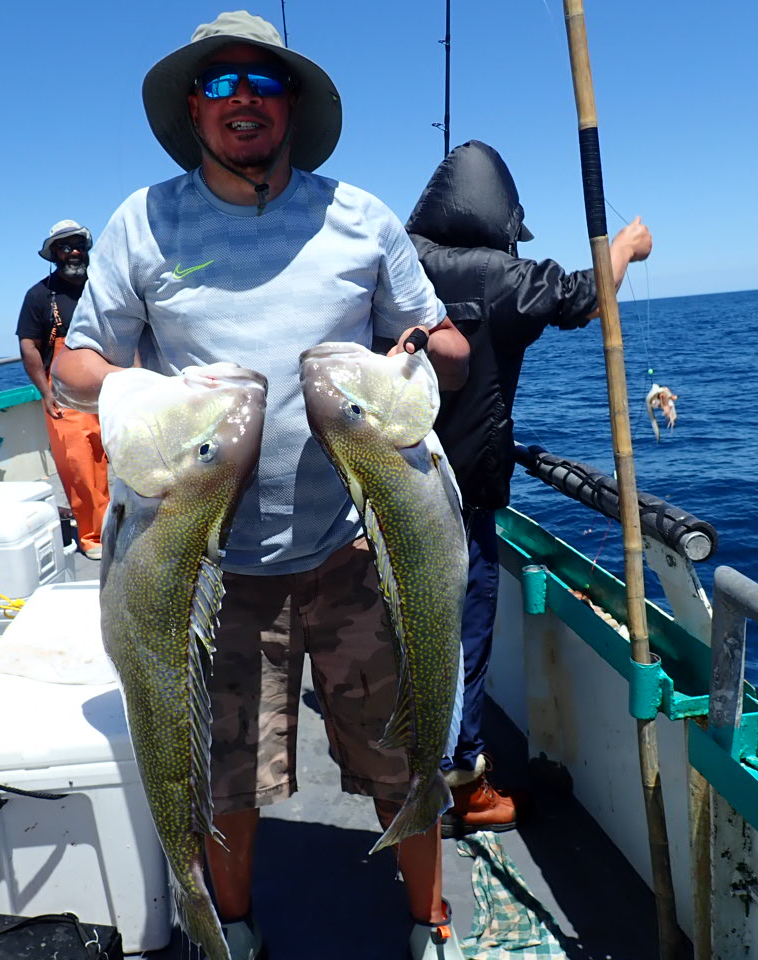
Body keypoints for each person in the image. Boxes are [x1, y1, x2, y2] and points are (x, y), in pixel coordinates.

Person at [52, 12, 472, 959]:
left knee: (402, 749)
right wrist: (130, 384)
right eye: (219, 84)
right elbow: (76, 363)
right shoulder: (142, 222)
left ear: (291, 107)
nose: (243, 98)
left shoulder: (360, 218)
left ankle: (428, 923)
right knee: (226, 772)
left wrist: (427, 350)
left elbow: (442, 344)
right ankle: (229, 930)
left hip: (358, 548)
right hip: (209, 567)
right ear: (193, 109)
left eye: (264, 84)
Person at [405, 140, 652, 836]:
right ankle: (462, 784)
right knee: (464, 643)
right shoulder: (505, 278)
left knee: (408, 638)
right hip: (466, 503)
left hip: (390, 501)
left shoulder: (395, 265)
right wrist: (628, 245)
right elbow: (583, 295)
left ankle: (406, 766)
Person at [16, 220, 110, 560]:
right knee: (81, 467)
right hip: (66, 396)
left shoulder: (104, 286)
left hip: (112, 385)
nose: (73, 251)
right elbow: (29, 346)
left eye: (78, 245)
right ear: (54, 253)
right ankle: (93, 536)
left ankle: (125, 526)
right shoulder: (39, 295)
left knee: (126, 460)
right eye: (65, 246)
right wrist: (46, 391)